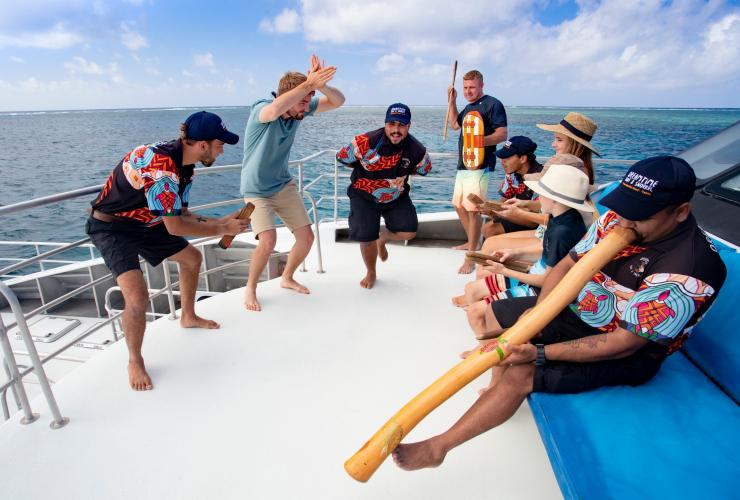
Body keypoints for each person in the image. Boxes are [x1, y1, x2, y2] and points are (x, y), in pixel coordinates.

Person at [392, 156, 726, 471]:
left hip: (626, 350)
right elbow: (567, 264)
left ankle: (438, 448)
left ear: (681, 212)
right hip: (576, 312)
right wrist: (538, 316)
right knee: (504, 332)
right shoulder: (616, 219)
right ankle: (495, 395)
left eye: (639, 215)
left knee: (520, 372)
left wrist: (538, 350)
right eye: (625, 208)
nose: (623, 220)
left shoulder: (689, 270)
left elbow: (626, 342)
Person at [86, 111, 250, 391]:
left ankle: (188, 316)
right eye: (220, 144)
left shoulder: (185, 168)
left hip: (148, 222)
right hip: (113, 228)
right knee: (137, 298)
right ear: (202, 145)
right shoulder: (162, 167)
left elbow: (182, 214)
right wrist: (222, 230)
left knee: (192, 258)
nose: (223, 150)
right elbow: (175, 227)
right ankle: (134, 360)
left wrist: (223, 222)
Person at [240, 54, 345, 311]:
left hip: (282, 185)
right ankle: (251, 288)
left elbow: (338, 101)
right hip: (256, 190)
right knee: (268, 240)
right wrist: (308, 85)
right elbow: (274, 110)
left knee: (306, 237)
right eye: (303, 101)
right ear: (290, 95)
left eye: (308, 101)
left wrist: (318, 85)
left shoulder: (300, 107)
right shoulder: (261, 109)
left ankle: (287, 277)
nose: (306, 107)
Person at [453, 164, 590, 314]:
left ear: (554, 199)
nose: (538, 198)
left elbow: (547, 281)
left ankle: (493, 320)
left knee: (475, 311)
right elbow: (548, 254)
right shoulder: (561, 218)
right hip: (535, 274)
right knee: (471, 289)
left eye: (541, 193)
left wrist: (505, 271)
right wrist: (514, 253)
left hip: (540, 288)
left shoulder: (562, 233)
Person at [336, 103, 431, 288]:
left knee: (409, 232)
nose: (396, 130)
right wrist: (365, 170)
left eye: (401, 125)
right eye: (392, 124)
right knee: (366, 237)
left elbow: (423, 169)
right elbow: (343, 158)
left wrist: (394, 177)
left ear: (409, 126)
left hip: (396, 196)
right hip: (363, 195)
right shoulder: (365, 141)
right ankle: (371, 272)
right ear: (385, 124)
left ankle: (384, 237)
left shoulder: (417, 149)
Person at [446, 70, 508, 274]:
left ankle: (472, 257)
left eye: (472, 87)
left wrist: (479, 142)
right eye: (465, 88)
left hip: (481, 164)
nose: (468, 91)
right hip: (464, 163)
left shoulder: (492, 104)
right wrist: (452, 101)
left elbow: (502, 134)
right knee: (459, 205)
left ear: (481, 85)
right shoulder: (468, 107)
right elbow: (455, 125)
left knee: (473, 210)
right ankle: (473, 241)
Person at [480, 136, 543, 238]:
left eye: (507, 157)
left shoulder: (540, 177)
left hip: (537, 223)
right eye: (502, 157)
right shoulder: (511, 174)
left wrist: (498, 213)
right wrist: (490, 210)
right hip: (521, 217)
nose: (502, 161)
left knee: (491, 230)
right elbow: (502, 203)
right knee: (487, 228)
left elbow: (534, 221)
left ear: (522, 158)